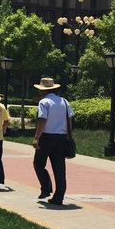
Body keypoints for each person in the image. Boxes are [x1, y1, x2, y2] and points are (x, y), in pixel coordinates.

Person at [32, 77, 75, 206]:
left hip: (46, 137)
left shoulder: (44, 102)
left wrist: (36, 137)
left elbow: (42, 120)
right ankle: (59, 197)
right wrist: (68, 135)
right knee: (59, 169)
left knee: (38, 164)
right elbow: (70, 119)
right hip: (61, 138)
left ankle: (46, 187)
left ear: (43, 90)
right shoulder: (64, 101)